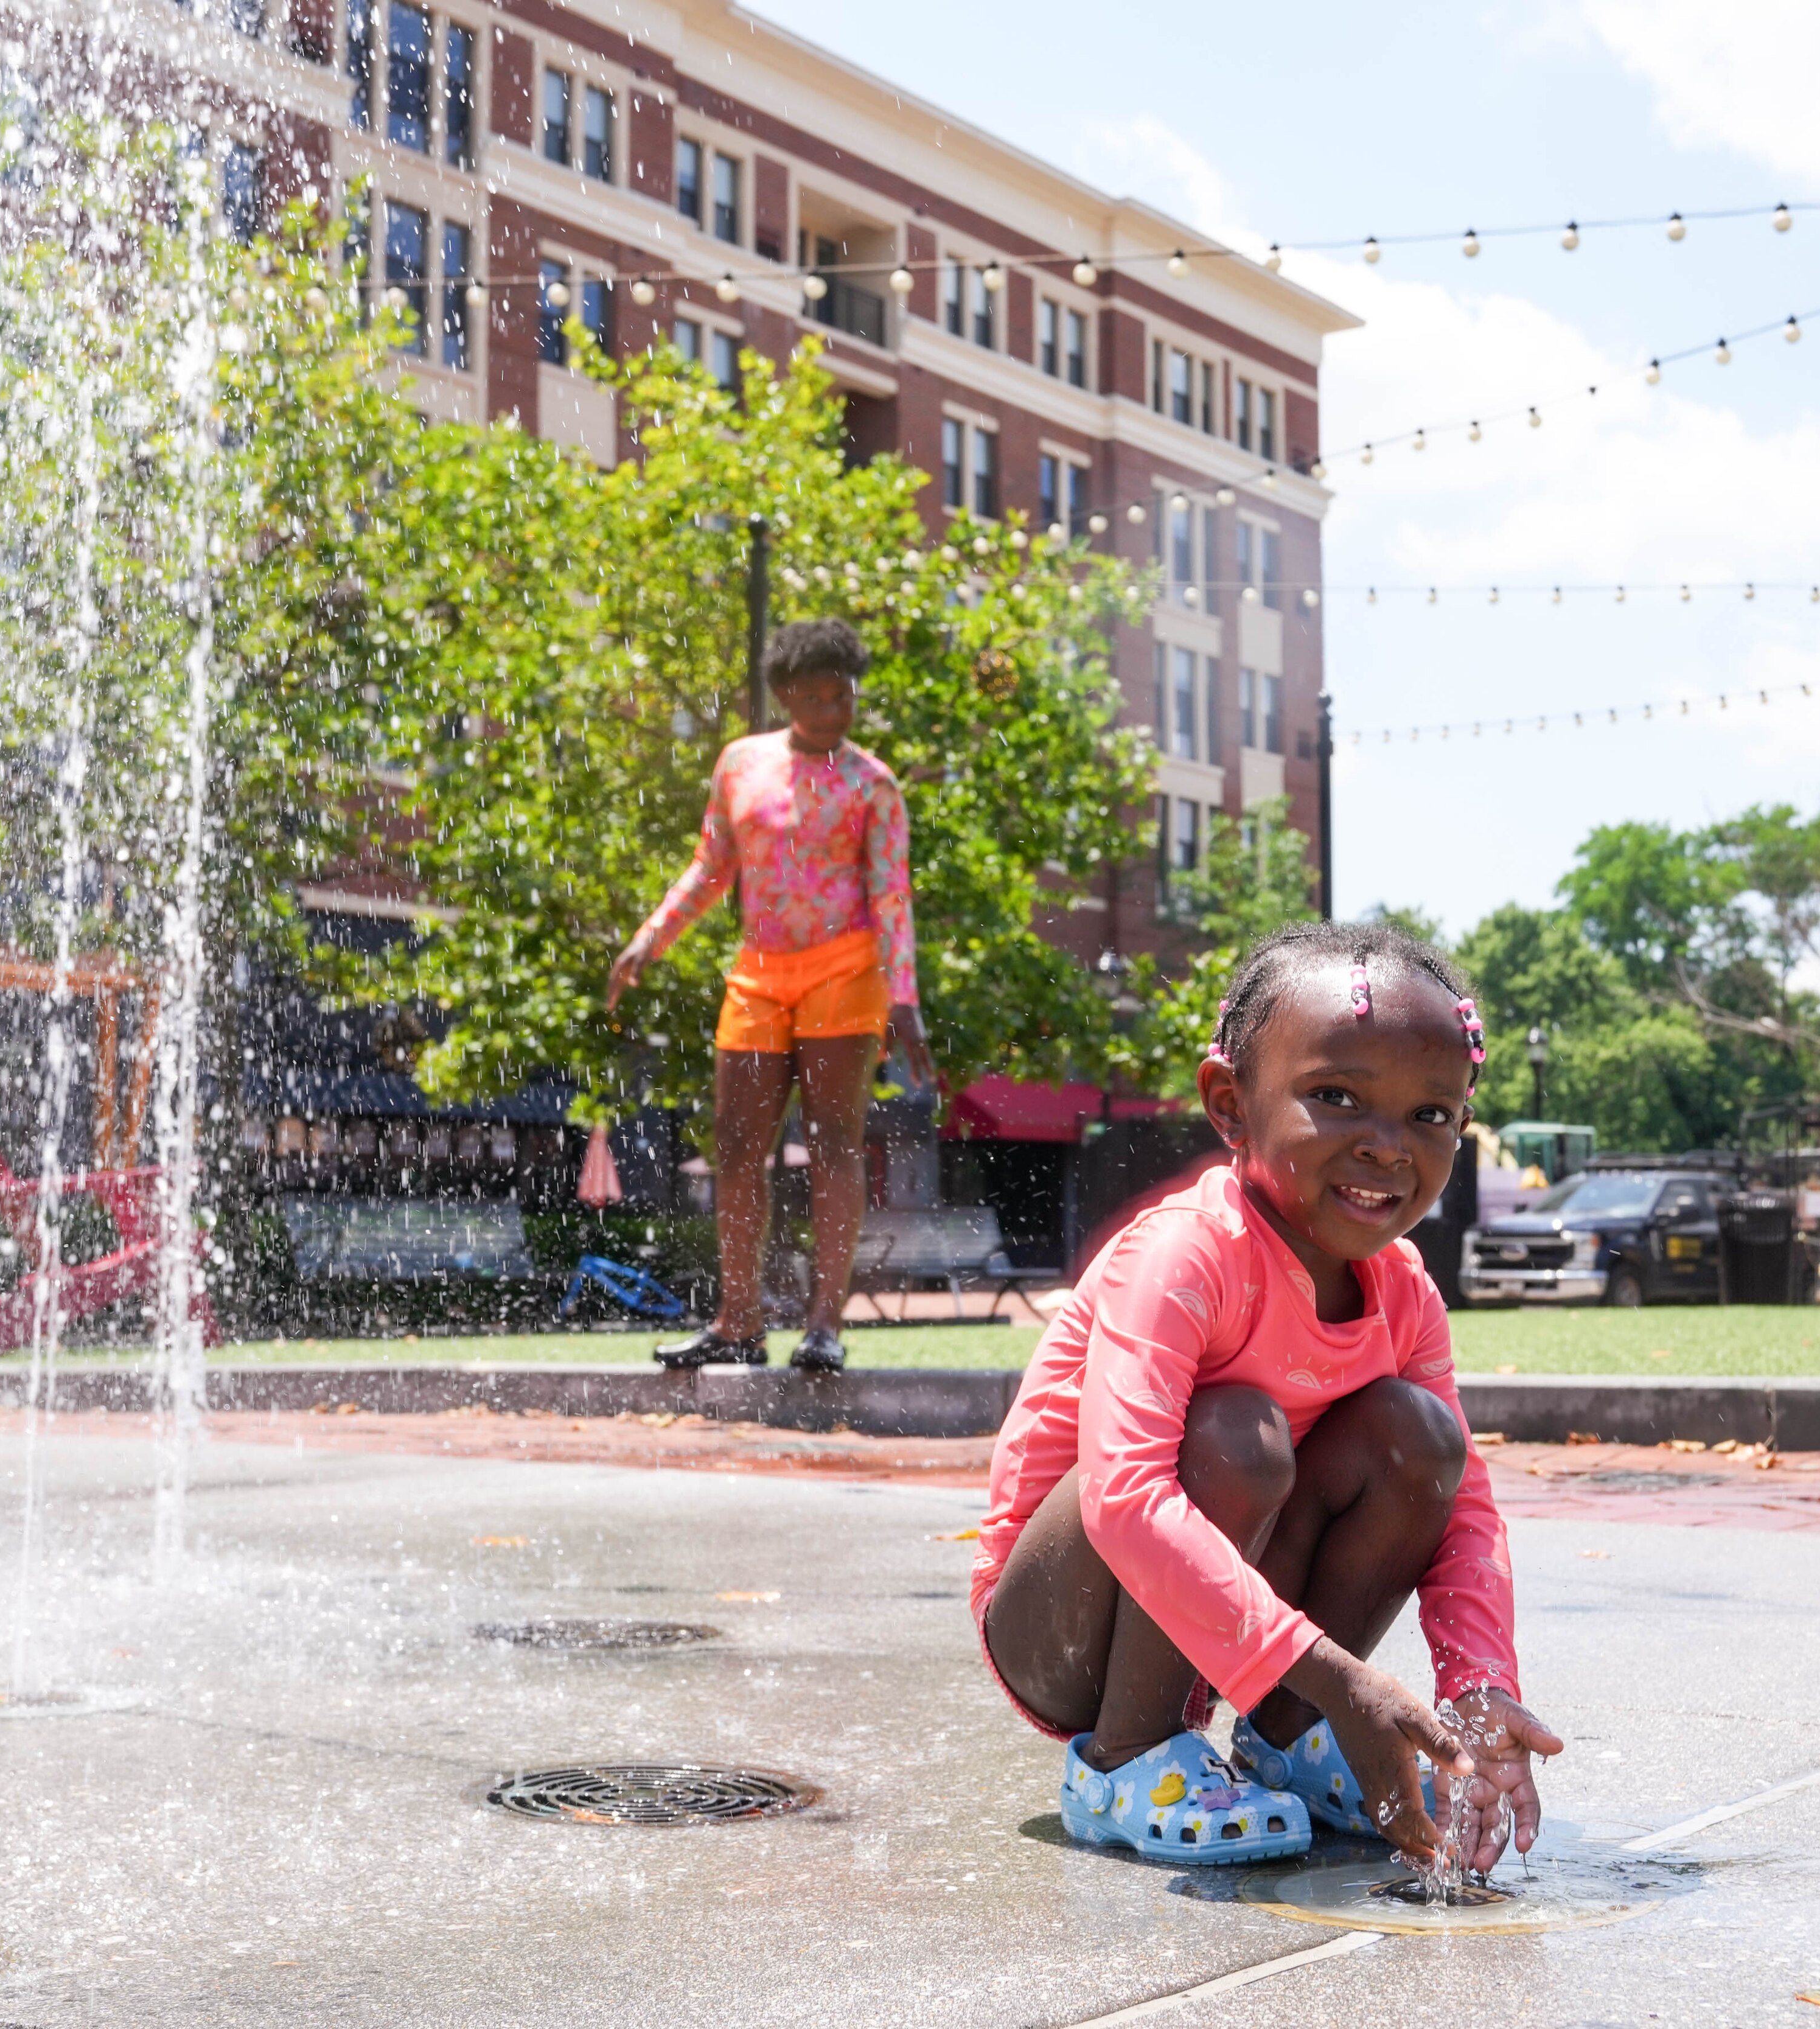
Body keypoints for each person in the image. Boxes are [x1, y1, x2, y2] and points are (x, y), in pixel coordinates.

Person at [974, 921, 1563, 1870]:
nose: (1388, 1147)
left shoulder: (1405, 1290)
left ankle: (1285, 1739)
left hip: (1228, 1627)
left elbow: (1465, 1512)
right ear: (1230, 1104)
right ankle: (1125, 1759)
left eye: (1431, 1116)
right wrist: (1339, 1674)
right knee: (1238, 1433)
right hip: (1061, 1630)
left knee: (1419, 1440)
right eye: (1337, 1097)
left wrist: (1480, 1686)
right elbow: (1123, 1498)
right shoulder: (1187, 1255)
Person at [608, 619, 933, 1375]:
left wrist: (905, 998)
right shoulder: (740, 764)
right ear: (785, 694)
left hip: (845, 972)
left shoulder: (871, 783)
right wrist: (648, 938)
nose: (830, 710)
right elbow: (710, 866)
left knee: (832, 1142)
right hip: (759, 973)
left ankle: (824, 1325)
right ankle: (737, 1322)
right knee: (736, 1145)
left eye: (842, 695)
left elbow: (890, 897)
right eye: (813, 696)